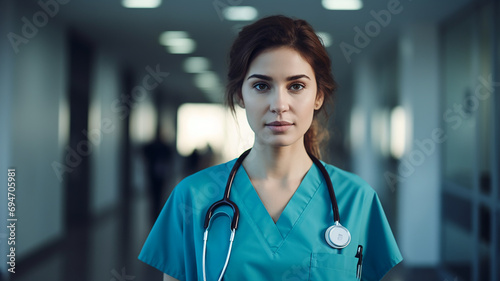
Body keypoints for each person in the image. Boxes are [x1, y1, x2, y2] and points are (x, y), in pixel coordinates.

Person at [138, 15, 402, 281]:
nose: (279, 104)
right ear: (241, 95)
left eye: (296, 86)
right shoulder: (192, 198)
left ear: (318, 95)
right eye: (261, 86)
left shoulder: (357, 200)